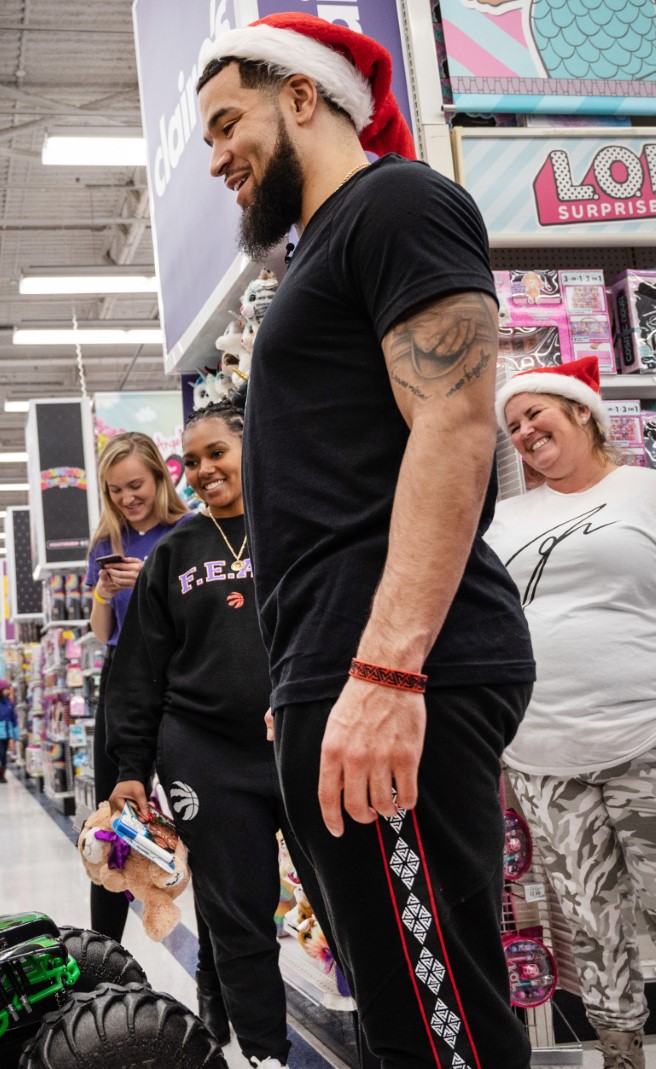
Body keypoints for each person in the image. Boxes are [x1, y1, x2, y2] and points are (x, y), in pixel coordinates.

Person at [197, 14, 536, 1067]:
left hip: (396, 666)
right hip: (338, 664)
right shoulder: (314, 256)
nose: (214, 158)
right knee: (399, 1013)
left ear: (300, 95)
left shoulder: (396, 202)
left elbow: (453, 423)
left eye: (225, 122)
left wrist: (386, 667)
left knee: (441, 1030)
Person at [106, 403, 291, 1069]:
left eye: (218, 452)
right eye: (193, 459)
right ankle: (268, 1055)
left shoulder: (297, 525)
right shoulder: (176, 551)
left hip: (302, 743)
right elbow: (139, 668)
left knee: (343, 900)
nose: (205, 469)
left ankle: (385, 1042)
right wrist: (131, 764)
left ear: (254, 444)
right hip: (205, 752)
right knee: (238, 914)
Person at [486, 356, 656, 1069]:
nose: (524, 431)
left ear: (582, 410)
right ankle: (620, 1053)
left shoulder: (642, 490)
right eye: (513, 424)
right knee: (591, 918)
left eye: (536, 414)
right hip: (541, 753)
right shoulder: (503, 517)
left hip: (644, 736)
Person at [83, 431, 187, 945]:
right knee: (114, 819)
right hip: (123, 679)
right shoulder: (107, 543)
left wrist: (154, 578)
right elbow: (102, 633)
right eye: (115, 490)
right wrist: (103, 592)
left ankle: (213, 962)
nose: (127, 498)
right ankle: (106, 952)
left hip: (183, 674)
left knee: (198, 810)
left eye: (135, 485)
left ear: (160, 478)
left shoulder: (188, 532)